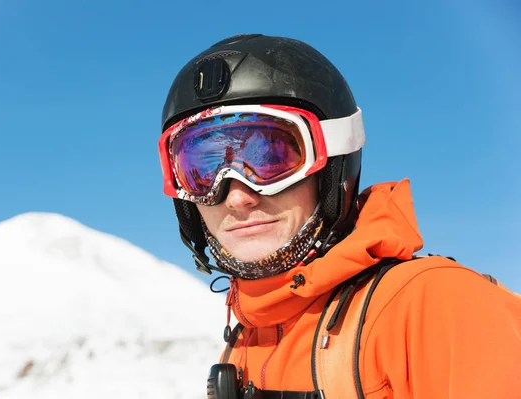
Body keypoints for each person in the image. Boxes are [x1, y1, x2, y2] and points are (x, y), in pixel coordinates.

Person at [157, 34, 521, 398]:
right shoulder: (245, 341)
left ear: (331, 168)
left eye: (269, 159)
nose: (236, 196)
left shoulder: (435, 307)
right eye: (202, 171)